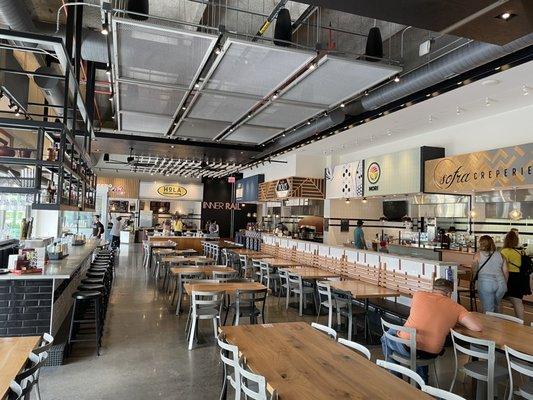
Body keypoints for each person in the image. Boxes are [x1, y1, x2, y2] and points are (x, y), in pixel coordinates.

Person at [381, 278, 482, 384]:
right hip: (431, 353)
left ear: (433, 289)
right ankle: (421, 383)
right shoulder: (457, 308)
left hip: (407, 347)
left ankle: (396, 378)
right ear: (449, 293)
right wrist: (455, 318)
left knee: (386, 337)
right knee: (417, 339)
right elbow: (477, 327)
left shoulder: (418, 295)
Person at [472, 235, 508, 313]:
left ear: (481, 243)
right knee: (497, 305)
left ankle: (489, 324)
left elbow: (474, 270)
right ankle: (499, 324)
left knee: (489, 310)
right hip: (501, 284)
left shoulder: (478, 255)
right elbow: (505, 272)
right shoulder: (501, 255)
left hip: (486, 284)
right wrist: (505, 284)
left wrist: (473, 281)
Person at [501, 230, 528, 320]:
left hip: (509, 277)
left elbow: (502, 266)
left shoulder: (505, 251)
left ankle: (499, 319)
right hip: (521, 278)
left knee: (499, 299)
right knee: (518, 301)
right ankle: (521, 320)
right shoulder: (521, 252)